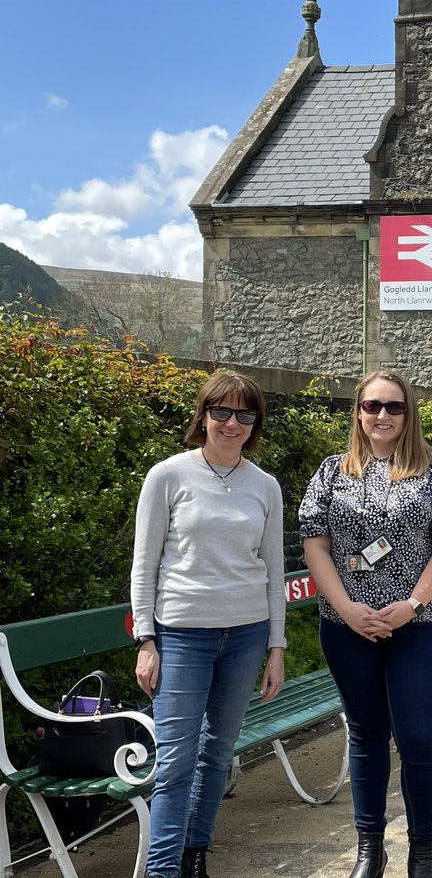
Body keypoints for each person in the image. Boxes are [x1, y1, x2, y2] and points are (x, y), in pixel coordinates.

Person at [299, 369, 432, 878]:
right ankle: (370, 849)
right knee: (367, 734)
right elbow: (315, 543)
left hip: (418, 622)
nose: (382, 416)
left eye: (393, 407)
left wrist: (411, 604)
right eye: (372, 406)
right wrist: (348, 609)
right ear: (358, 412)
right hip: (348, 625)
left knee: (418, 736)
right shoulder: (332, 472)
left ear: (408, 413)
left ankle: (422, 853)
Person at [131, 371, 287, 878]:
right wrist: (146, 641)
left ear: (254, 423)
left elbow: (273, 570)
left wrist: (276, 647)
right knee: (175, 761)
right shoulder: (168, 475)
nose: (232, 422)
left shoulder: (264, 486)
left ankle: (195, 855)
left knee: (218, 753)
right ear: (203, 416)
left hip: (245, 636)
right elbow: (145, 564)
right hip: (180, 636)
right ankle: (162, 871)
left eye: (245, 414)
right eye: (221, 411)